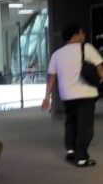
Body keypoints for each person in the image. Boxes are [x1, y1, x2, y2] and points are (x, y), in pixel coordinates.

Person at [42, 23, 103, 167]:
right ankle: (81, 158)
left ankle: (71, 151)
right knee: (85, 126)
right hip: (86, 94)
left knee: (71, 122)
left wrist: (47, 97)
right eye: (82, 32)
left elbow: (51, 77)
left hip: (67, 95)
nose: (84, 35)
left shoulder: (57, 54)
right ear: (75, 35)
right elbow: (100, 68)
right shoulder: (86, 48)